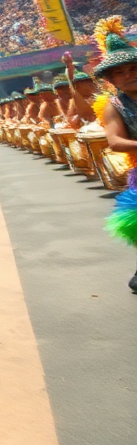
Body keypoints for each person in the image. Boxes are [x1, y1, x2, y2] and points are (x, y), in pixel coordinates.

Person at [90, 17, 137, 292]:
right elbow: (115, 141)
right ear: (110, 79)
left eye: (134, 68)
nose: (131, 74)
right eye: (122, 72)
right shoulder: (113, 105)